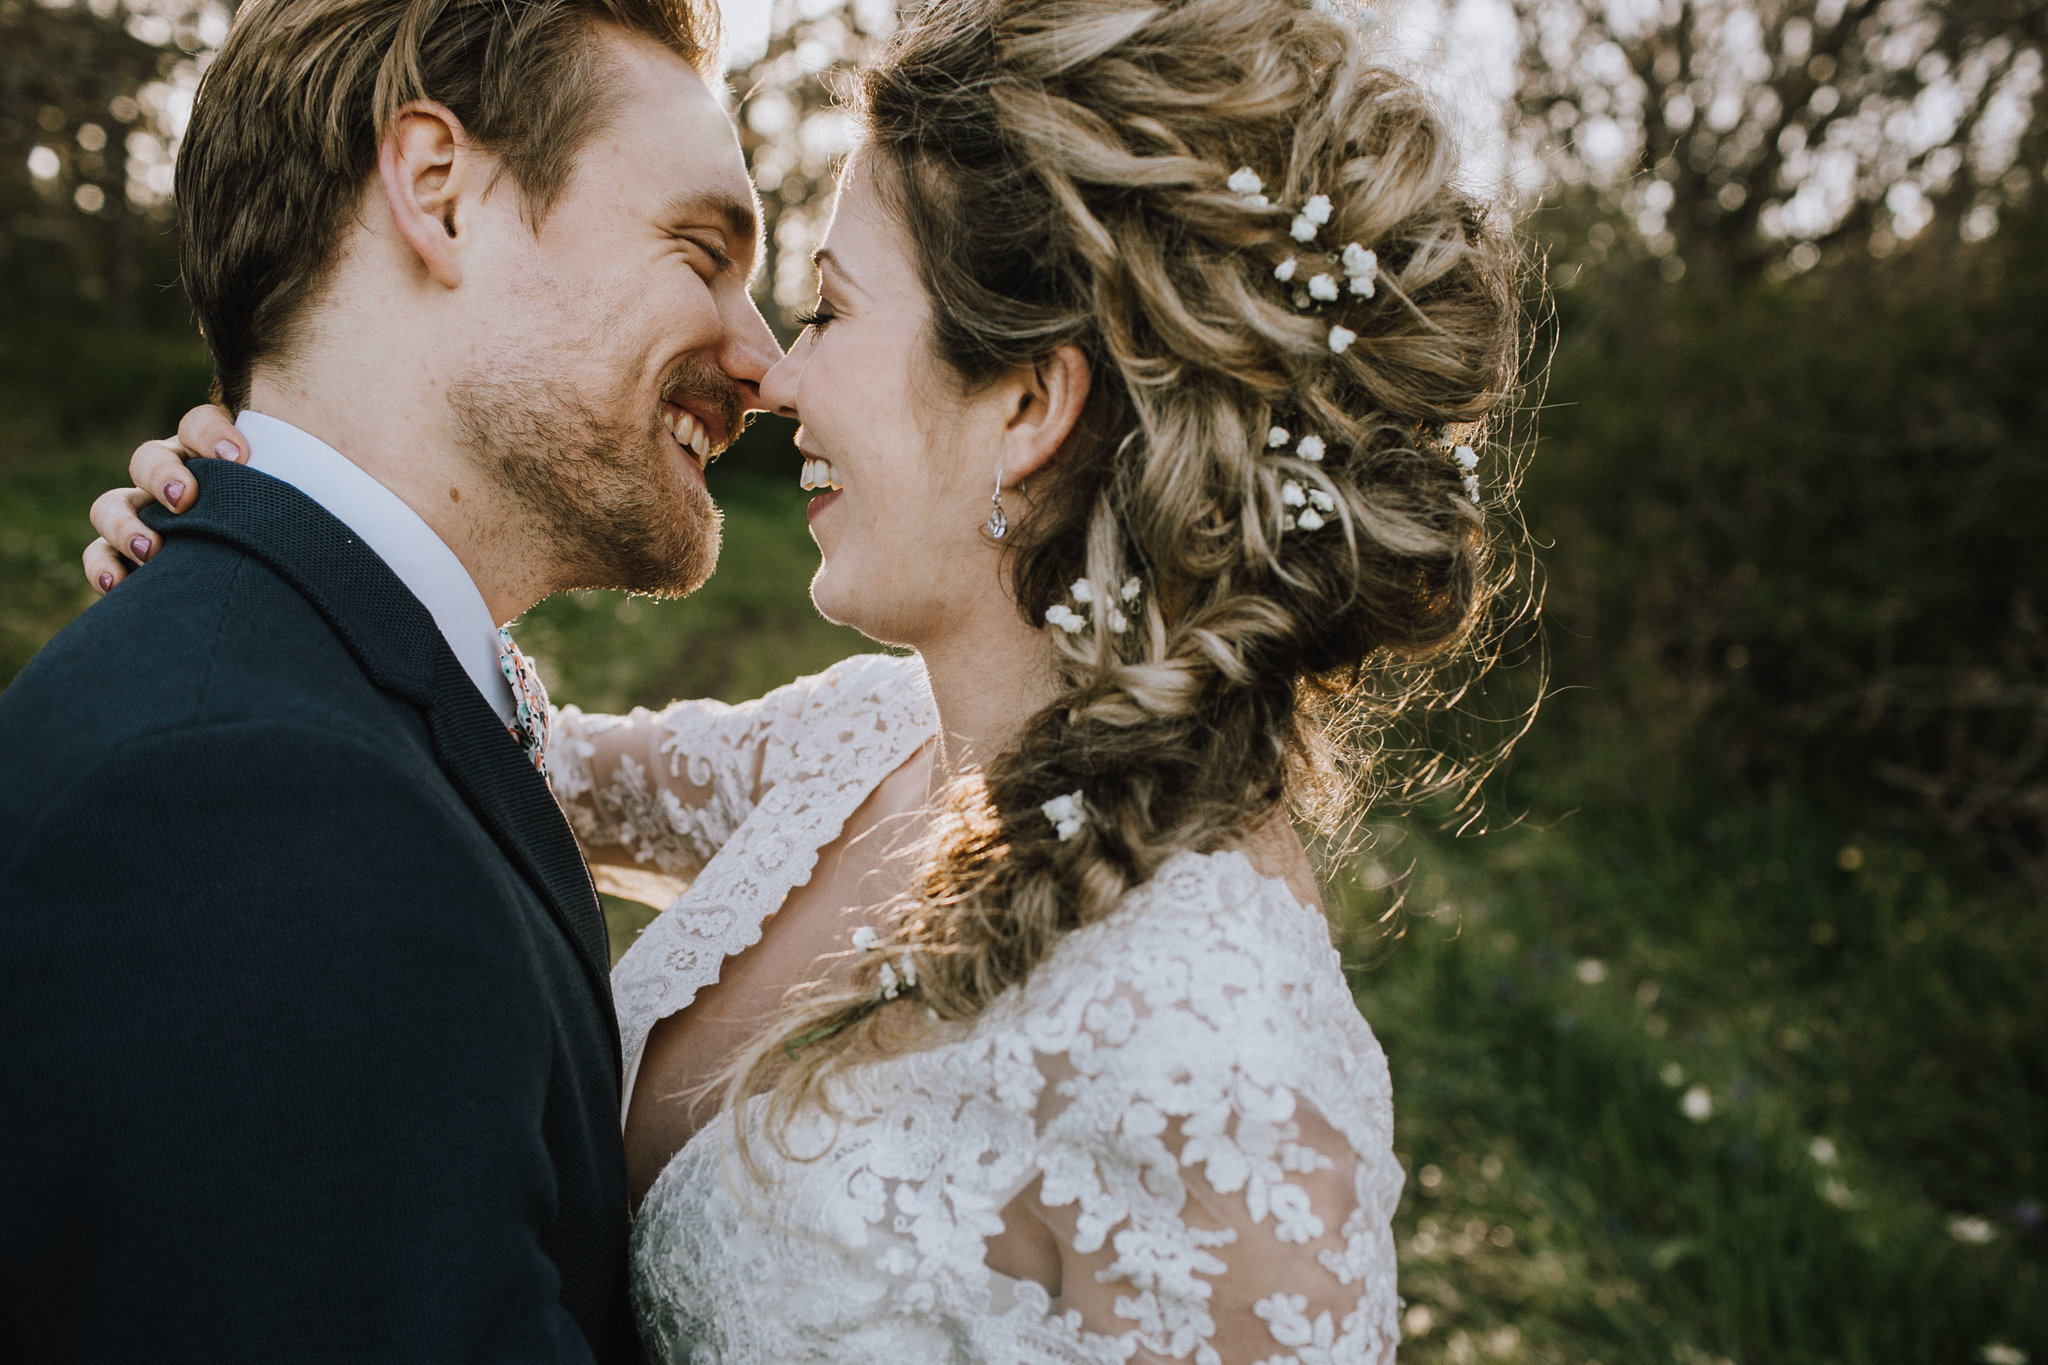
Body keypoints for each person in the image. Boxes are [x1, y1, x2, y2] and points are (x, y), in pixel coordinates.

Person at [80, 0, 1523, 1356]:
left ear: (1028, 405)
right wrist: (281, 542)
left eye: (828, 309)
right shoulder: (864, 746)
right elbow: (477, 749)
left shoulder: (1223, 1060)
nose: (775, 375)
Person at [0, 0, 778, 1356]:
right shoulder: (254, 804)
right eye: (703, 252)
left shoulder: (310, 699)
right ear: (441, 193)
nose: (764, 362)